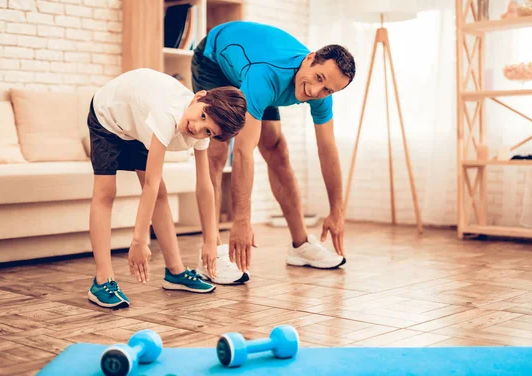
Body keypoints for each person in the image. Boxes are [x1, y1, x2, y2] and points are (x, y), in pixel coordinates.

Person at [190, 21, 356, 284]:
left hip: (253, 71)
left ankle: (300, 245)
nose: (314, 91)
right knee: (218, 150)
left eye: (327, 89)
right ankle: (212, 252)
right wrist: (243, 220)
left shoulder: (322, 92)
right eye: (318, 78)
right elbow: (244, 150)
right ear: (310, 59)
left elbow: (327, 148)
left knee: (277, 149)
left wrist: (337, 210)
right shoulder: (265, 75)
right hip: (215, 61)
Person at [86, 67, 247, 308]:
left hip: (138, 126)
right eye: (202, 116)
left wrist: (211, 241)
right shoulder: (167, 114)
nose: (197, 128)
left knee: (161, 193)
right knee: (106, 192)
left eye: (208, 131)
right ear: (199, 97)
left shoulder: (198, 133)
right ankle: (102, 280)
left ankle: (175, 272)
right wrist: (139, 240)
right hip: (107, 116)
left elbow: (205, 185)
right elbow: (149, 182)